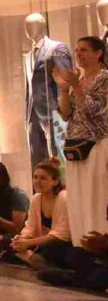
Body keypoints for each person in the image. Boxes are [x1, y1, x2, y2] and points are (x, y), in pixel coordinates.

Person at [53, 36, 108, 246]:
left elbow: (92, 110)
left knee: (95, 196)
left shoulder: (104, 78)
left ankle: (99, 244)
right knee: (78, 197)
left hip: (96, 143)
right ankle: (81, 244)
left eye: (84, 50)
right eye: (76, 50)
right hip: (75, 144)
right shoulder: (80, 79)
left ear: (98, 53)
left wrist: (76, 86)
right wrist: (63, 89)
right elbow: (67, 114)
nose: (78, 54)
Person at [1, 159, 71, 269]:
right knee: (8, 239)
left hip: (59, 243)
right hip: (39, 241)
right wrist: (22, 238)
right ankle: (34, 259)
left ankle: (31, 259)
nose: (37, 181)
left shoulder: (63, 198)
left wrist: (28, 243)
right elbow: (30, 226)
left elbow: (61, 234)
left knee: (50, 248)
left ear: (55, 181)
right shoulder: (36, 198)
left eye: (43, 178)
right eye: (35, 177)